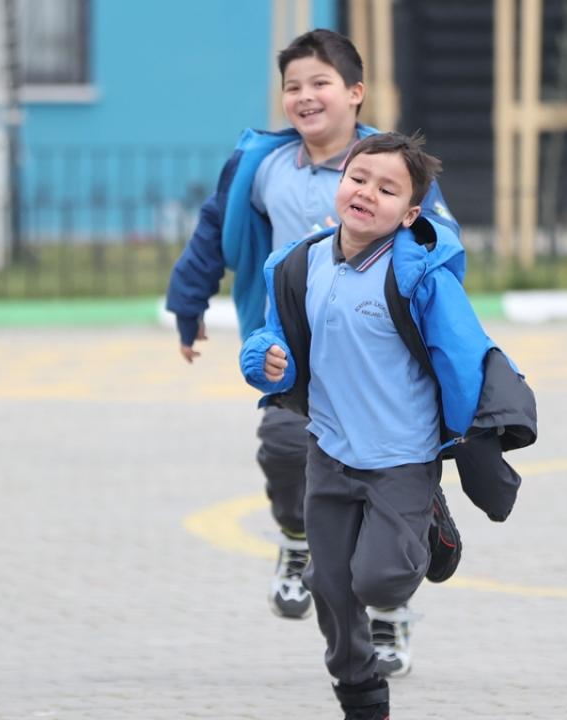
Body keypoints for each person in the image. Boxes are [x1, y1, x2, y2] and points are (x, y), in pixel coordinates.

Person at [164, 29, 459, 676]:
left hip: (377, 357)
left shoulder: (390, 166)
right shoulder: (262, 166)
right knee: (282, 447)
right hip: (295, 347)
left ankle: (390, 612)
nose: (305, 96)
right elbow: (213, 229)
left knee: (380, 487)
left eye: (320, 82)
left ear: (355, 92)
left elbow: (442, 243)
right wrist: (188, 304)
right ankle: (297, 538)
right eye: (293, 86)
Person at [239, 132, 536, 720]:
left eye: (388, 189)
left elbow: (464, 357)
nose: (367, 193)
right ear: (341, 181)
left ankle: (430, 524)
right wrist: (264, 360)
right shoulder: (296, 265)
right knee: (329, 583)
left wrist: (469, 440)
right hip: (328, 450)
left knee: (379, 583)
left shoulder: (419, 278)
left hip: (402, 458)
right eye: (358, 178)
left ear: (410, 214)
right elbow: (279, 339)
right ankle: (360, 691)